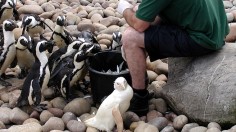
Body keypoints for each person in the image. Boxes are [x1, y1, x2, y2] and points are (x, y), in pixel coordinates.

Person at [117, 0, 229, 116]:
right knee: (141, 12)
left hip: (201, 39)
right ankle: (139, 68)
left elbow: (139, 25)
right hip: (218, 30)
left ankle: (139, 98)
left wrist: (124, 9)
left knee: (130, 37)